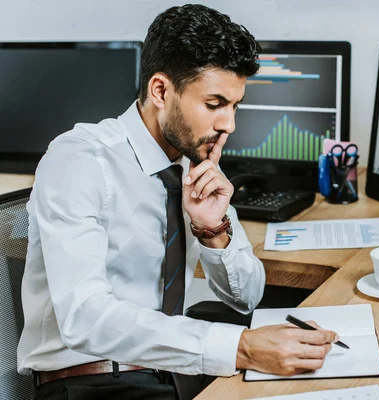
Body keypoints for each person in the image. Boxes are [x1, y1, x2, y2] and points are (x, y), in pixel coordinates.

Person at [17, 4, 338, 400]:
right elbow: (85, 318)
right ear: (160, 91)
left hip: (171, 370)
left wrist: (212, 230)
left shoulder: (194, 165)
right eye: (215, 104)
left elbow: (247, 297)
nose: (229, 125)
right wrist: (241, 347)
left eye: (235, 105)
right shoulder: (78, 160)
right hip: (90, 381)